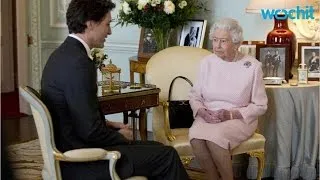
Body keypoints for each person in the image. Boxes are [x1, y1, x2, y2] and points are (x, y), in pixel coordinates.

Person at [40, 0, 189, 179]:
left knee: (158, 149)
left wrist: (109, 125)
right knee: (167, 156)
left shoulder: (61, 55)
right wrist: (120, 136)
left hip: (72, 150)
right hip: (82, 161)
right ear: (90, 24)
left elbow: (76, 115)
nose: (109, 31)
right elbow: (90, 131)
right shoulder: (79, 64)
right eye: (107, 24)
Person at [188, 18, 268, 180]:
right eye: (215, 40)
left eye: (223, 41)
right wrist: (202, 112)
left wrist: (231, 115)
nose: (216, 46)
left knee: (215, 138)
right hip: (208, 116)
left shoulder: (252, 66)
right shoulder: (206, 63)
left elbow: (260, 105)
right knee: (196, 137)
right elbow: (195, 95)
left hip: (239, 118)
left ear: (237, 43)